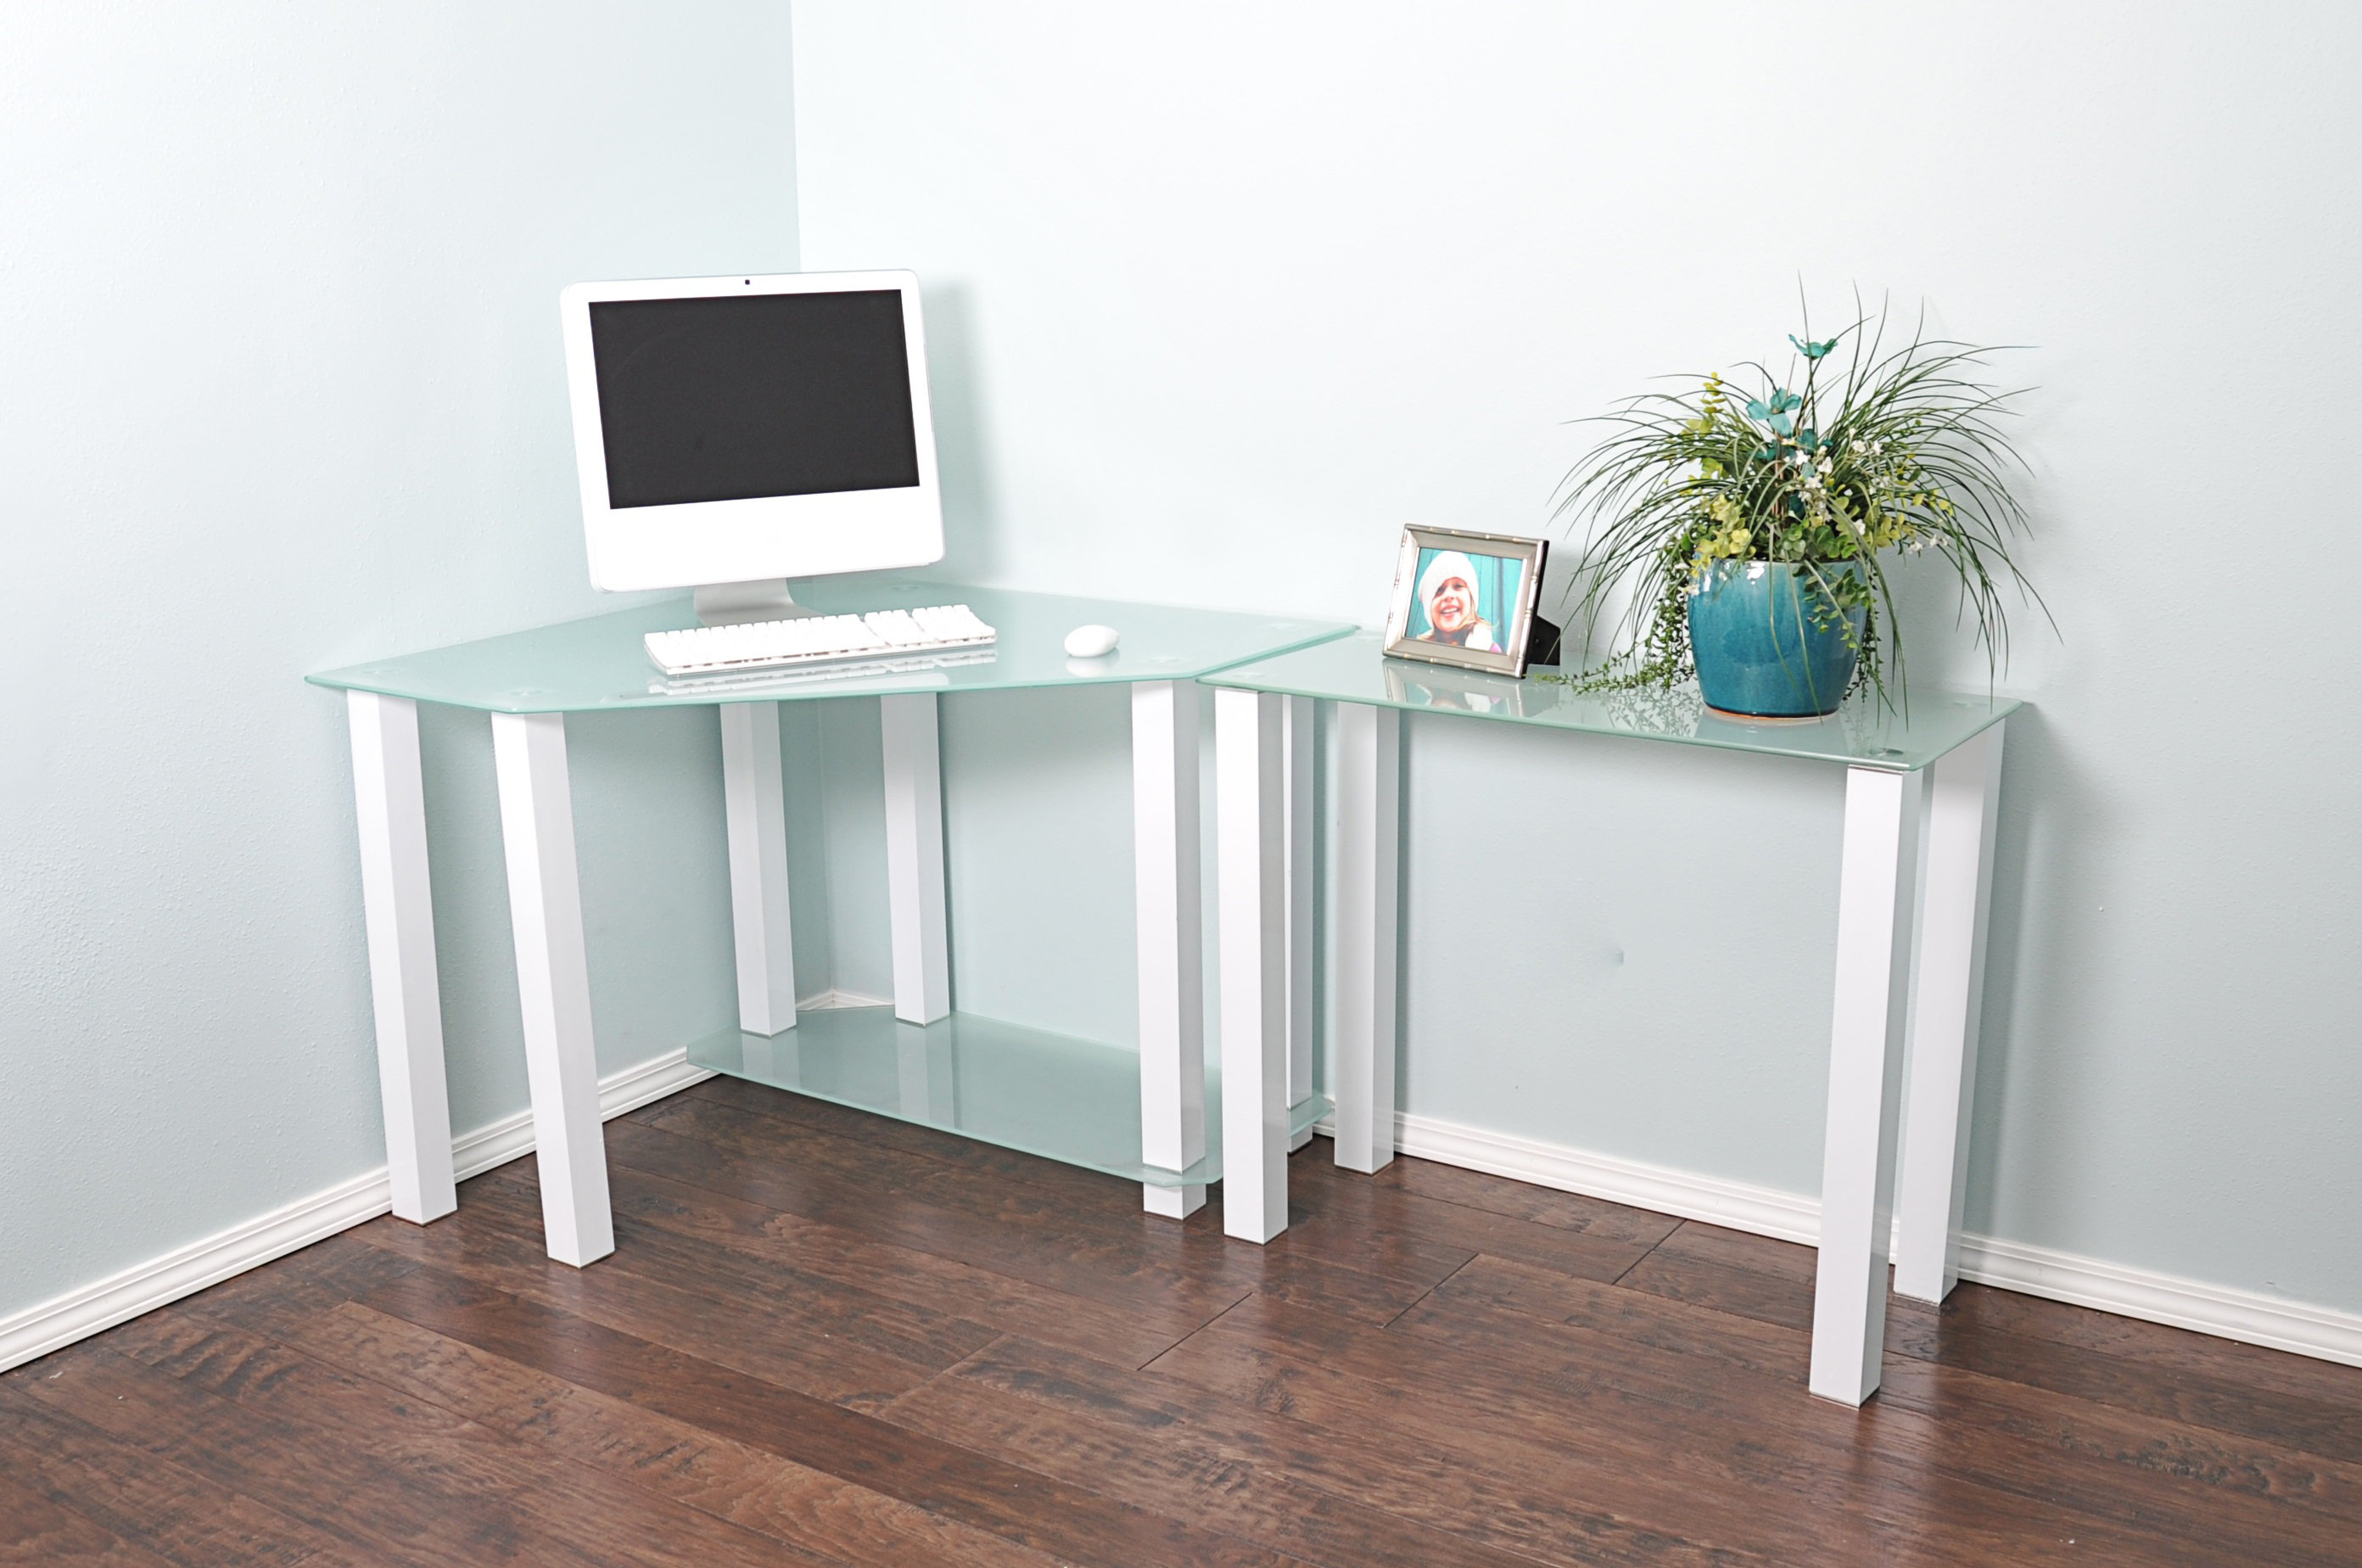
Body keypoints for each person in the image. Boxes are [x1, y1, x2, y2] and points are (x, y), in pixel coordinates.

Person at [1414, 550, 1503, 652]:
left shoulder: (1489, 650)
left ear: (1471, 599)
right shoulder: (1419, 650)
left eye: (1458, 586)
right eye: (1439, 590)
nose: (1448, 595)